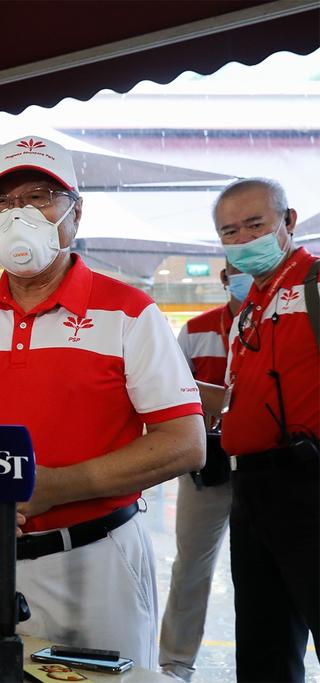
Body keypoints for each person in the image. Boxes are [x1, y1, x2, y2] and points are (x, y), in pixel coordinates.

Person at [0, 135, 205, 668]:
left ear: (75, 213)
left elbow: (185, 444)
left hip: (94, 560)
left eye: (40, 196)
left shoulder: (130, 314)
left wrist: (58, 486)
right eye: (2, 202)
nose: (19, 216)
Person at [197, 178, 318, 682]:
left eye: (255, 225)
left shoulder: (314, 283)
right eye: (230, 231)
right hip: (249, 488)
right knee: (263, 643)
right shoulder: (250, 304)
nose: (243, 239)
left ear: (287, 222)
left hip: (309, 485)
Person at [159, 263, 249, 681]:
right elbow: (169, 389)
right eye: (235, 270)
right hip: (208, 467)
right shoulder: (196, 330)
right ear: (225, 279)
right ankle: (175, 663)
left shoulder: (287, 323)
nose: (245, 275)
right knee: (192, 565)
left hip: (269, 468)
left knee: (266, 570)